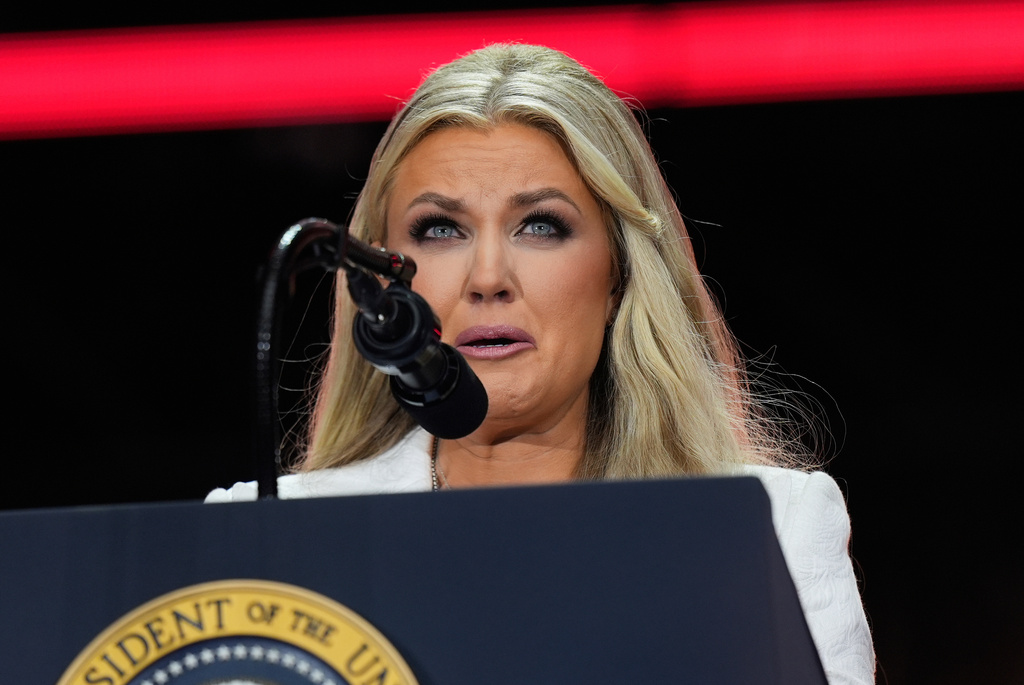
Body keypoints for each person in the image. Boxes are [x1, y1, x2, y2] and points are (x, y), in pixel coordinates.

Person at [207, 44, 875, 683]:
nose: (489, 276)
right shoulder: (262, 535)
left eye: (540, 226)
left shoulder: (769, 529)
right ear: (383, 280)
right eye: (441, 228)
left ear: (618, 274)